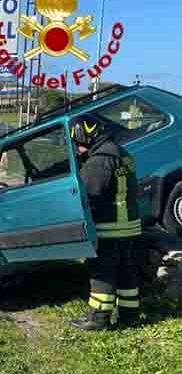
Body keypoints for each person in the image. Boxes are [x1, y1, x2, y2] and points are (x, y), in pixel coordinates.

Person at [70, 116, 142, 331]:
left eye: (80, 144)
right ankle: (130, 316)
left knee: (103, 272)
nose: (79, 148)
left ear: (89, 137)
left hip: (110, 227)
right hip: (129, 225)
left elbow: (87, 193)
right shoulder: (123, 154)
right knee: (126, 271)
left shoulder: (99, 160)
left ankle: (98, 319)